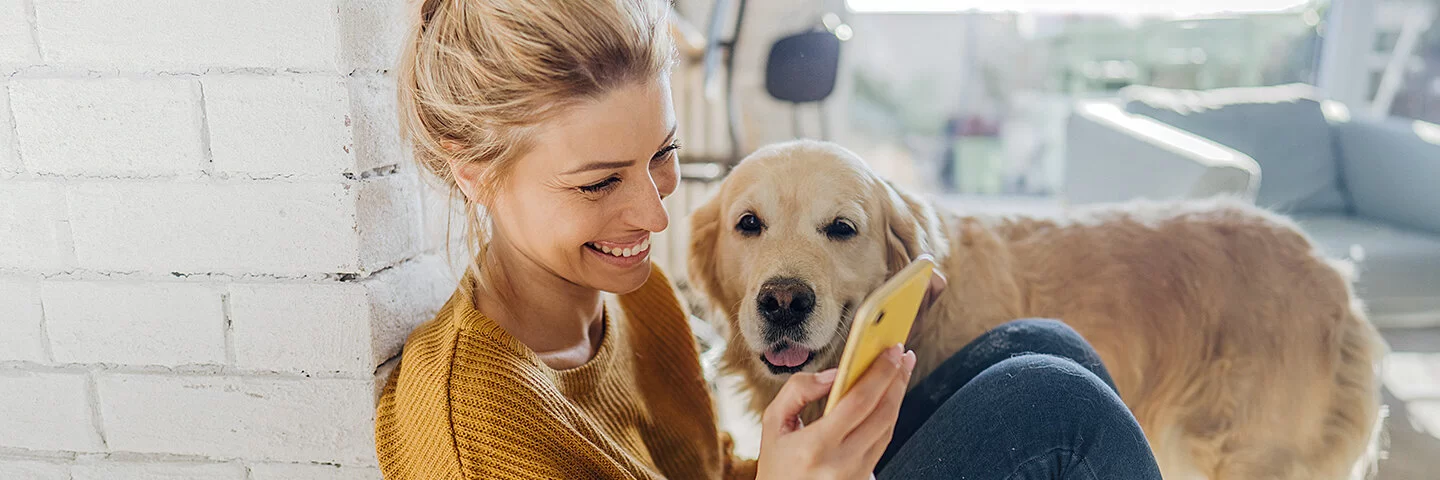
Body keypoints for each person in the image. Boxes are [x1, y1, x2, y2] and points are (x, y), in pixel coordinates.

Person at [374, 0, 1164, 478]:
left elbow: (710, 471)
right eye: (600, 183)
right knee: (1051, 408)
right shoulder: (475, 433)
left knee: (1039, 348)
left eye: (662, 157)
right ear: (476, 172)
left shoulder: (634, 299)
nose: (655, 215)